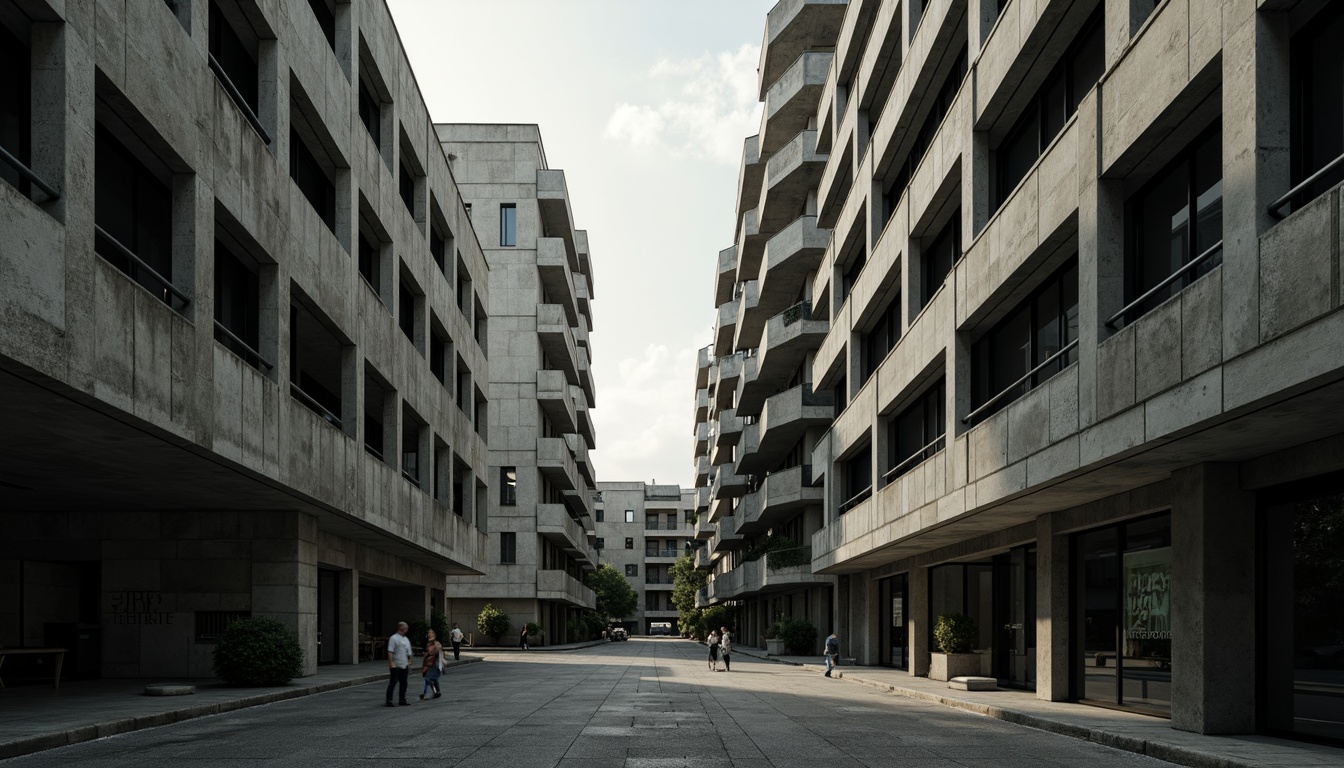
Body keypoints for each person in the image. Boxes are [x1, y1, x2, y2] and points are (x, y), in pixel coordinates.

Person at [385, 621, 412, 706]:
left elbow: (408, 651)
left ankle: (402, 700)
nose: (407, 628)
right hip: (396, 664)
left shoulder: (406, 639)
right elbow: (390, 651)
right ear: (400, 627)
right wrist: (391, 662)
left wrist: (409, 661)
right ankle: (389, 700)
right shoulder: (393, 638)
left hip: (404, 664)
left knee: (404, 683)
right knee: (393, 682)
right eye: (405, 627)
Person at [420, 629, 443, 700]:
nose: (429, 634)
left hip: (434, 664)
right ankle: (436, 692)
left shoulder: (437, 643)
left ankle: (426, 693)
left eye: (431, 633)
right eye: (428, 633)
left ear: (434, 635)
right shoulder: (428, 643)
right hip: (428, 664)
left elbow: (438, 652)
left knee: (429, 679)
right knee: (432, 679)